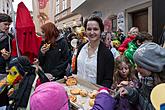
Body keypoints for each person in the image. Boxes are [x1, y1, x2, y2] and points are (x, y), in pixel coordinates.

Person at [119, 42, 165, 110]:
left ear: (152, 67)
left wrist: (136, 95)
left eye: (140, 66)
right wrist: (130, 92)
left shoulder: (161, 89)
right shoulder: (146, 79)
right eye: (136, 65)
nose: (136, 69)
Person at [73, 16, 114, 88]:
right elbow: (76, 70)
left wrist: (100, 94)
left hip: (95, 95)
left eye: (95, 29)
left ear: (101, 31)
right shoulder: (81, 48)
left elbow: (108, 80)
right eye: (89, 29)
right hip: (77, 91)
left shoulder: (107, 54)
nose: (92, 32)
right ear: (85, 31)